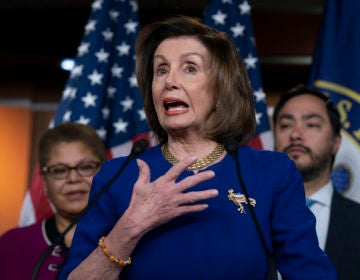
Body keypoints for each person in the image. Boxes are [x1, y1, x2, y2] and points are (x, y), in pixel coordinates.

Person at [59, 16, 336, 279]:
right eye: (161, 70)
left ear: (219, 91)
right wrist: (130, 226)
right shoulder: (117, 177)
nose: (170, 81)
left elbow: (310, 273)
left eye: (190, 68)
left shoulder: (270, 173)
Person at [273, 84, 360, 280]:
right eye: (286, 125)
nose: (295, 134)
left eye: (311, 124)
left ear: (335, 143)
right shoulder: (248, 214)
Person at [0, 122, 107, 279]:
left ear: (104, 172)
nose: (73, 178)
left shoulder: (128, 239)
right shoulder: (10, 245)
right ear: (44, 183)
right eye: (59, 170)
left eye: (85, 167)